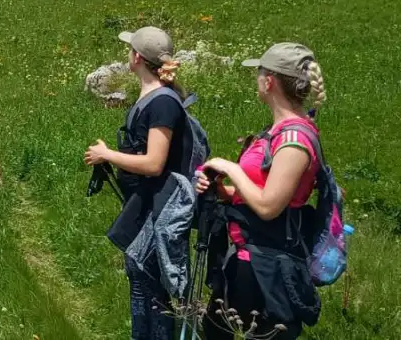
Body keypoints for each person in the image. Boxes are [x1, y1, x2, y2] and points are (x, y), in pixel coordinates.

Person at [195, 43, 328, 340]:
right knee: (216, 331)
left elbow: (270, 206)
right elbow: (257, 193)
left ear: (269, 82)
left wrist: (232, 168)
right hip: (247, 258)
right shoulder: (278, 131)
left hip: (268, 268)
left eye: (259, 75)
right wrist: (221, 189)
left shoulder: (294, 140)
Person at [84, 27, 187, 340]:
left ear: (138, 57)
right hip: (143, 205)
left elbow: (154, 163)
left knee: (152, 291)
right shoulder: (151, 97)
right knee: (141, 284)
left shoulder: (163, 104)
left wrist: (108, 155)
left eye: (130, 49)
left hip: (158, 209)